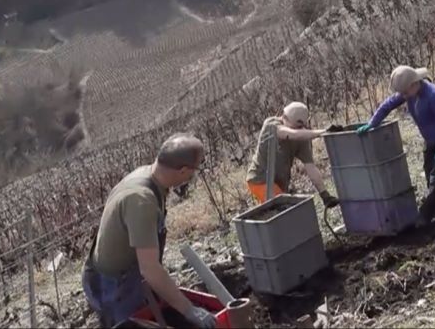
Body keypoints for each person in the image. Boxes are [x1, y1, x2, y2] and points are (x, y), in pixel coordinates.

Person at [83, 133, 216, 329]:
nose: (192, 176)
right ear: (182, 170)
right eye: (193, 171)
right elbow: (150, 269)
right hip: (113, 287)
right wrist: (190, 310)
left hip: (127, 274)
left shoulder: (148, 176)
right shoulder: (142, 201)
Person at [357, 65, 435, 223]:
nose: (403, 96)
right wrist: (372, 123)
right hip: (430, 139)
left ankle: (424, 217)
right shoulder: (410, 94)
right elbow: (387, 106)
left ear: (414, 84)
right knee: (428, 170)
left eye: (405, 92)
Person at [246, 102, 340, 207]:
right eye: (283, 117)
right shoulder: (271, 124)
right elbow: (290, 134)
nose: (282, 118)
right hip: (259, 179)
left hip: (279, 183)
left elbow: (311, 167)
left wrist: (325, 195)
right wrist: (323, 132)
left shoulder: (301, 138)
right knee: (283, 210)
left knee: (283, 211)